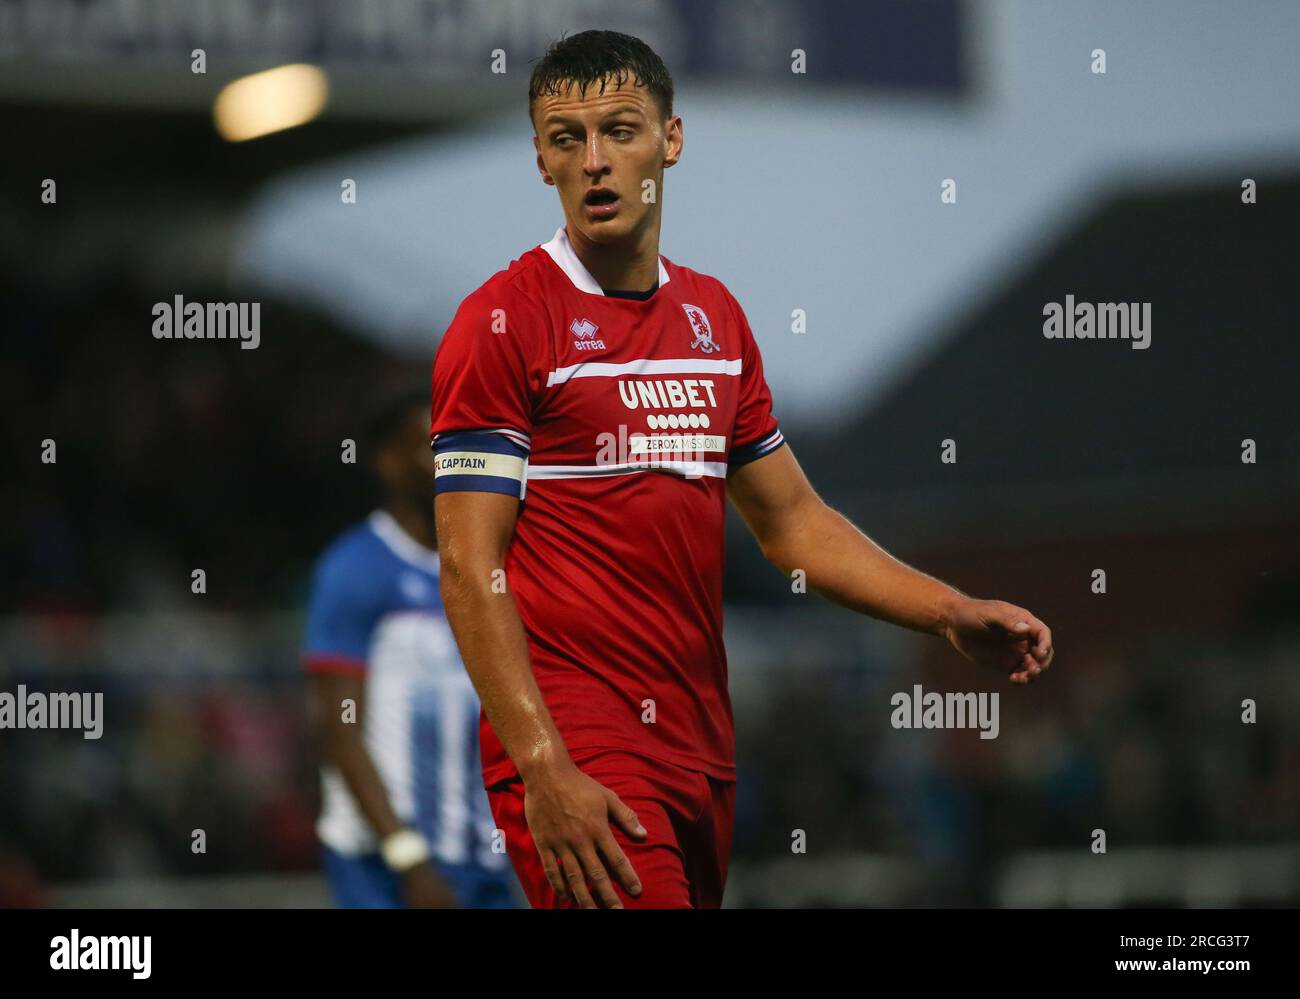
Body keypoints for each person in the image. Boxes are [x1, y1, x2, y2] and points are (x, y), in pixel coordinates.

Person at [430, 30, 1054, 909]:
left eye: (621, 129)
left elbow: (792, 523)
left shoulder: (714, 320)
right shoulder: (501, 323)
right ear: (540, 158)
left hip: (701, 746)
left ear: (671, 140)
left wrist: (947, 610)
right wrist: (542, 761)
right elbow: (468, 561)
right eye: (567, 139)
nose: (596, 161)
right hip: (580, 746)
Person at [303, 386, 517, 908]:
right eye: (433, 446)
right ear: (389, 462)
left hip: (481, 856)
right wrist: (407, 858)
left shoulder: (494, 567)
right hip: (386, 868)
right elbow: (340, 735)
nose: (452, 461)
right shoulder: (356, 570)